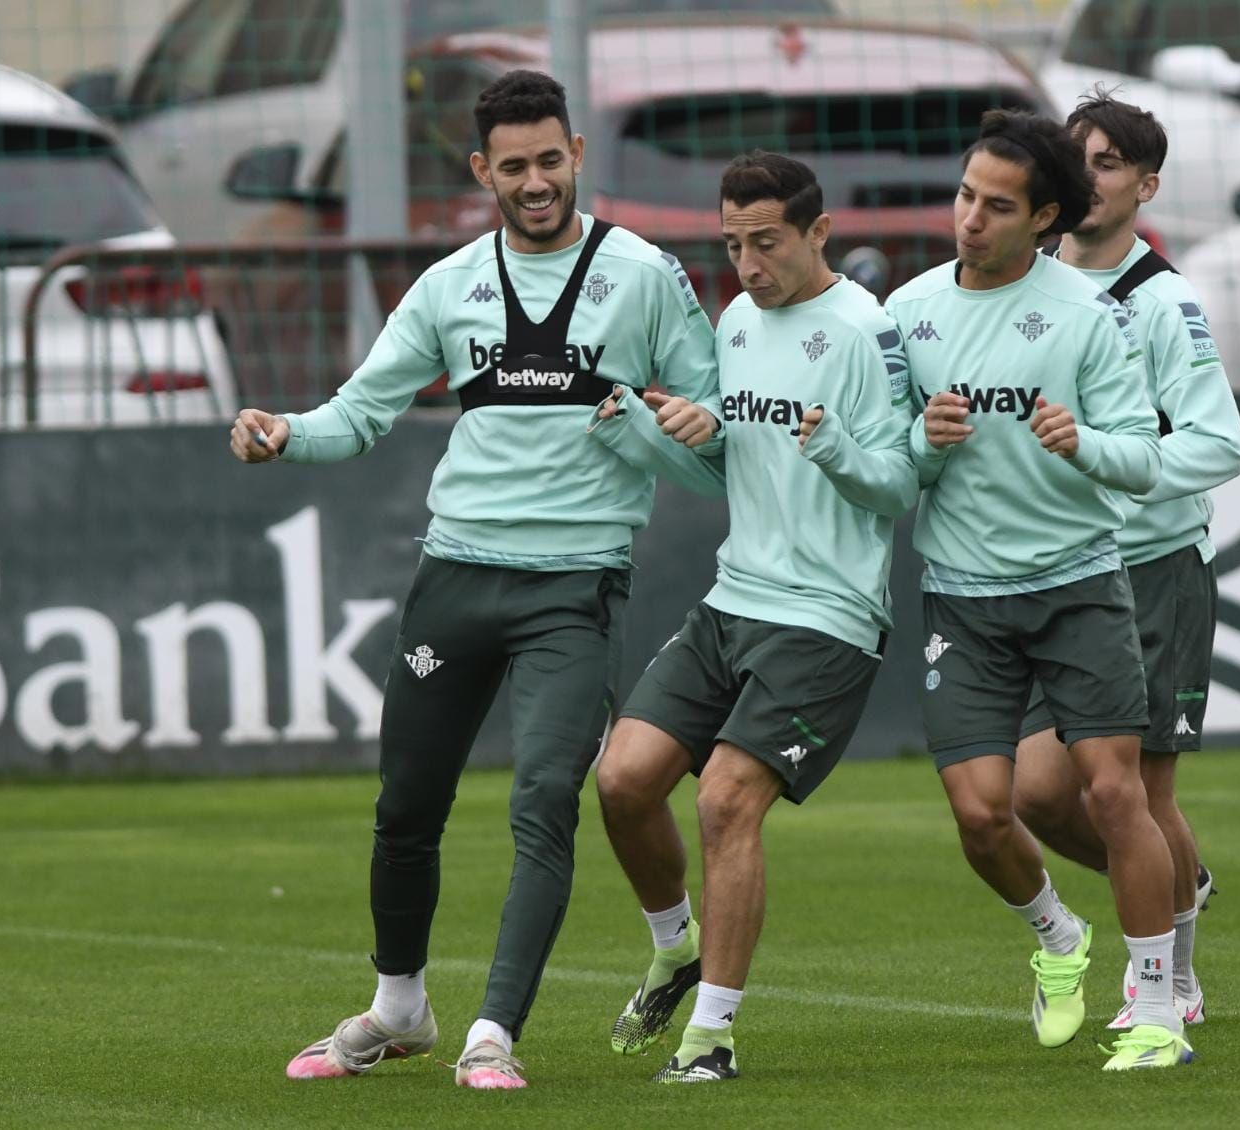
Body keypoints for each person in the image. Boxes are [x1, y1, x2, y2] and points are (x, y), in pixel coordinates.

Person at [228, 70, 724, 1092]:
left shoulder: (645, 277)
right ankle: (399, 1006)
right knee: (406, 801)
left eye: (550, 160)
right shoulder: (449, 282)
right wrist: (283, 434)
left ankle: (494, 1031)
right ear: (480, 171)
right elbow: (358, 413)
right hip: (453, 578)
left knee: (544, 798)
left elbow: (713, 454)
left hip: (571, 590)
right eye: (514, 166)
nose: (535, 181)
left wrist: (646, 421)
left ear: (577, 153)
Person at [586, 150, 917, 1083]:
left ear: (819, 233)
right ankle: (675, 944)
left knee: (726, 801)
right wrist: (663, 431)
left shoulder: (864, 332)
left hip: (828, 615)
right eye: (733, 243)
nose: (748, 263)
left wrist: (837, 447)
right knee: (620, 781)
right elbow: (728, 471)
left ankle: (711, 1038)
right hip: (736, 598)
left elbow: (896, 488)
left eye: (765, 242)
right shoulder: (734, 320)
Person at [888, 108, 1192, 1071]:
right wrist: (918, 444)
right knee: (984, 815)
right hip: (963, 600)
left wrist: (1082, 444)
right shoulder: (907, 313)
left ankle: (1154, 1011)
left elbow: (1145, 457)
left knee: (1114, 792)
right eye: (966, 195)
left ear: (1044, 216)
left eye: (997, 205)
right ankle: (1060, 939)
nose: (970, 218)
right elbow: (883, 470)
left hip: (1077, 587)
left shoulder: (1089, 320)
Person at [1013, 90, 1240, 1031]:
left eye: (1110, 163)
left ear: (1145, 186)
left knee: (1141, 793)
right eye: (1078, 159)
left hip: (1151, 569)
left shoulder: (1163, 302)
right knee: (1034, 791)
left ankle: (1174, 982)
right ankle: (1173, 880)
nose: (1089, 176)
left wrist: (1118, 462)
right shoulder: (1025, 283)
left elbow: (1217, 445)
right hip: (1055, 567)